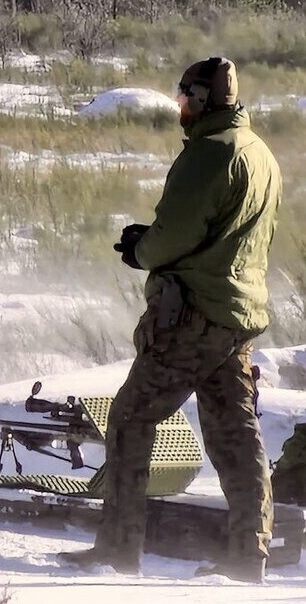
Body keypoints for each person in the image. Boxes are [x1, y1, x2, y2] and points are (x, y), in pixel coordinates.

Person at [60, 57, 282, 582]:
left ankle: (118, 551)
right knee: (236, 435)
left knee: (131, 420)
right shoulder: (259, 152)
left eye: (185, 96)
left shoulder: (208, 154)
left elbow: (176, 235)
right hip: (237, 314)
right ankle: (248, 557)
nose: (180, 105)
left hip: (195, 317)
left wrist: (141, 250)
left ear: (204, 99)